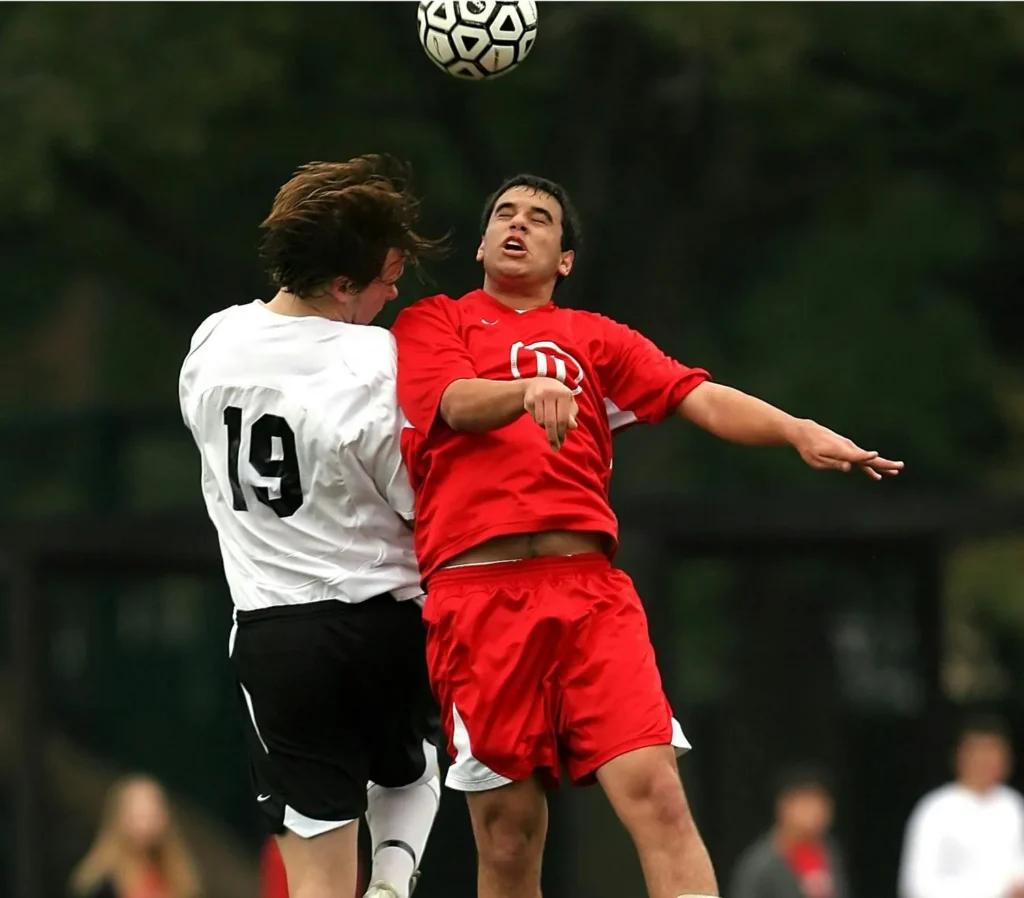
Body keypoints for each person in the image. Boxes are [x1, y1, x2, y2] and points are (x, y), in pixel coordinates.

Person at [391, 173, 904, 898]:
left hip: (589, 596)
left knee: (659, 795)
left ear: (564, 259)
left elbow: (701, 396)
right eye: (504, 213)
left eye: (540, 218)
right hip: (479, 599)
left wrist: (796, 430)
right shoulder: (433, 321)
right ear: (479, 243)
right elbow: (456, 402)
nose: (518, 224)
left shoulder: (594, 338)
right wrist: (525, 392)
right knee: (507, 837)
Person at [178, 156, 446, 898]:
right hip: (387, 622)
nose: (395, 294)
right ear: (341, 287)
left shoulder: (211, 344)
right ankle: (392, 883)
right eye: (387, 279)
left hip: (277, 640)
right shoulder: (374, 361)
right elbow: (415, 499)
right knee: (418, 766)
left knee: (316, 876)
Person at [898, 713, 1024, 898]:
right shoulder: (936, 810)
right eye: (980, 752)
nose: (987, 761)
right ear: (961, 756)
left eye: (995, 752)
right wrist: (994, 890)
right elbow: (917, 886)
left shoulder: (1014, 805)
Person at [69, 774, 201, 898]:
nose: (146, 823)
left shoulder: (178, 877)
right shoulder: (101, 883)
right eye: (139, 814)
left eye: (152, 813)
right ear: (119, 817)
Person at [730, 766, 849, 898]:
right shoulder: (761, 864)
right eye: (806, 803)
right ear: (784, 807)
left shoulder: (829, 851)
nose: (816, 812)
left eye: (822, 802)